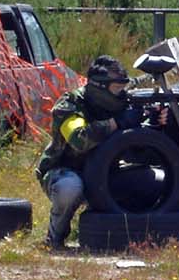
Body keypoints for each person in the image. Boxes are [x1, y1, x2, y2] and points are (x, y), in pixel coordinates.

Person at [36, 55, 168, 249]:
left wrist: (152, 124)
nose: (122, 94)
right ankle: (55, 237)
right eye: (117, 89)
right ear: (99, 87)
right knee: (70, 188)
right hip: (64, 172)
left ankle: (132, 234)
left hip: (106, 174)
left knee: (154, 180)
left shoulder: (123, 105)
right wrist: (118, 122)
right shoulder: (70, 105)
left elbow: (140, 153)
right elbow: (79, 140)